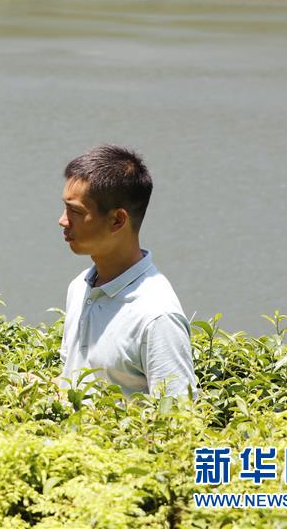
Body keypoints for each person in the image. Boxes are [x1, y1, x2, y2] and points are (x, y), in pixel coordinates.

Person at [56, 144, 196, 397]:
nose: (63, 221)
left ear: (117, 220)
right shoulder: (80, 287)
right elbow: (72, 380)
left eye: (75, 211)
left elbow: (179, 420)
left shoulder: (156, 316)